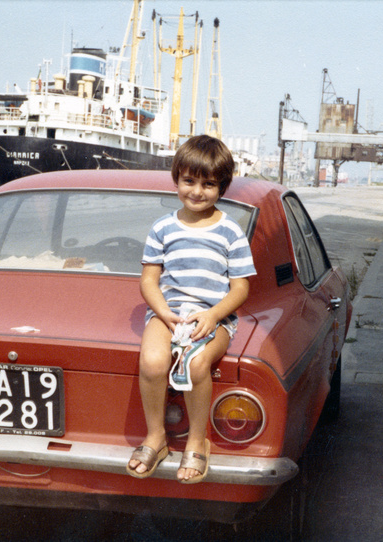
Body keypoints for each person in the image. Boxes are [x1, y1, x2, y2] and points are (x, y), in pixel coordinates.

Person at [127, 135, 256, 483]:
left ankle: (197, 440)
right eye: (189, 181)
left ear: (222, 186)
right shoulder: (163, 228)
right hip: (168, 314)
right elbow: (149, 281)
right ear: (176, 179)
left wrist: (213, 315)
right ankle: (157, 436)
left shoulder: (231, 232)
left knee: (199, 364)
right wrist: (163, 312)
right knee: (152, 361)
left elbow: (241, 287)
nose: (197, 191)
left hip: (215, 318)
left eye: (208, 184)